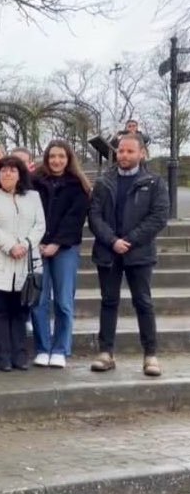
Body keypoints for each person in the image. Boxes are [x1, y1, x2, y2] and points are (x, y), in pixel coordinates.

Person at [88, 134, 169, 377]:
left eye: (129, 151)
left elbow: (158, 217)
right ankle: (105, 353)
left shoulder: (154, 182)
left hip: (139, 253)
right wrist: (112, 241)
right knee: (108, 301)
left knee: (143, 302)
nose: (123, 155)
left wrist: (130, 240)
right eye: (120, 151)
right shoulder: (104, 181)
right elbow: (94, 215)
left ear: (141, 154)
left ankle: (150, 355)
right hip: (108, 251)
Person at [0, 156, 45, 372]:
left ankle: (19, 356)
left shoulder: (33, 197)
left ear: (20, 174)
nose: (7, 174)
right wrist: (10, 246)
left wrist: (25, 245)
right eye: (3, 170)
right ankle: (1, 358)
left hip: (26, 261)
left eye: (12, 170)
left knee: (20, 311)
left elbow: (39, 225)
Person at [30, 140, 91, 368]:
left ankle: (60, 348)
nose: (56, 160)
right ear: (46, 158)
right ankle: (43, 347)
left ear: (68, 159)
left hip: (65, 249)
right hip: (37, 246)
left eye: (61, 156)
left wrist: (56, 242)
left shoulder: (78, 185)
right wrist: (37, 242)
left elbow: (75, 218)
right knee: (39, 301)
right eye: (53, 156)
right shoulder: (34, 182)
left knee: (64, 301)